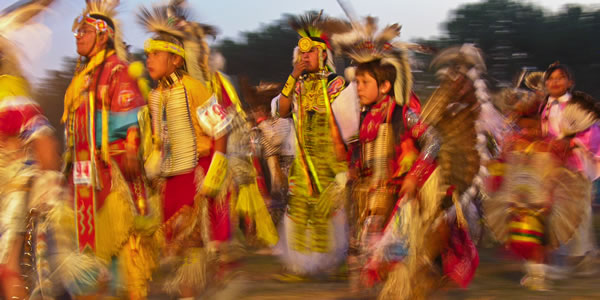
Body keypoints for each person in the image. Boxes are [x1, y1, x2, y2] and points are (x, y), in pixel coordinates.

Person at [137, 1, 231, 297]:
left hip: (196, 175)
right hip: (170, 179)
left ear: (176, 60)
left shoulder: (194, 87)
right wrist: (153, 166)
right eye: (147, 54)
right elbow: (157, 140)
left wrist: (214, 174)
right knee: (175, 248)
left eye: (155, 54)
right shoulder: (154, 96)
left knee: (192, 246)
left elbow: (221, 129)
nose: (149, 60)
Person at [63, 1, 156, 298]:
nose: (78, 36)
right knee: (85, 241)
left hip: (112, 170)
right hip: (81, 171)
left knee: (119, 240)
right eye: (78, 32)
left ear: (104, 36)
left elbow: (132, 119)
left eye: (85, 31)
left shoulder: (118, 70)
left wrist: (131, 149)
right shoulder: (82, 77)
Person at [274, 11, 358, 279]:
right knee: (299, 210)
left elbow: (347, 125)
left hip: (329, 161)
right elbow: (282, 111)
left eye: (310, 53)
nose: (305, 57)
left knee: (331, 211)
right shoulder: (296, 84)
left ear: (323, 54)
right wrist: (293, 77)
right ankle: (301, 265)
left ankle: (335, 263)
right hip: (301, 161)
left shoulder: (336, 84)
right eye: (301, 53)